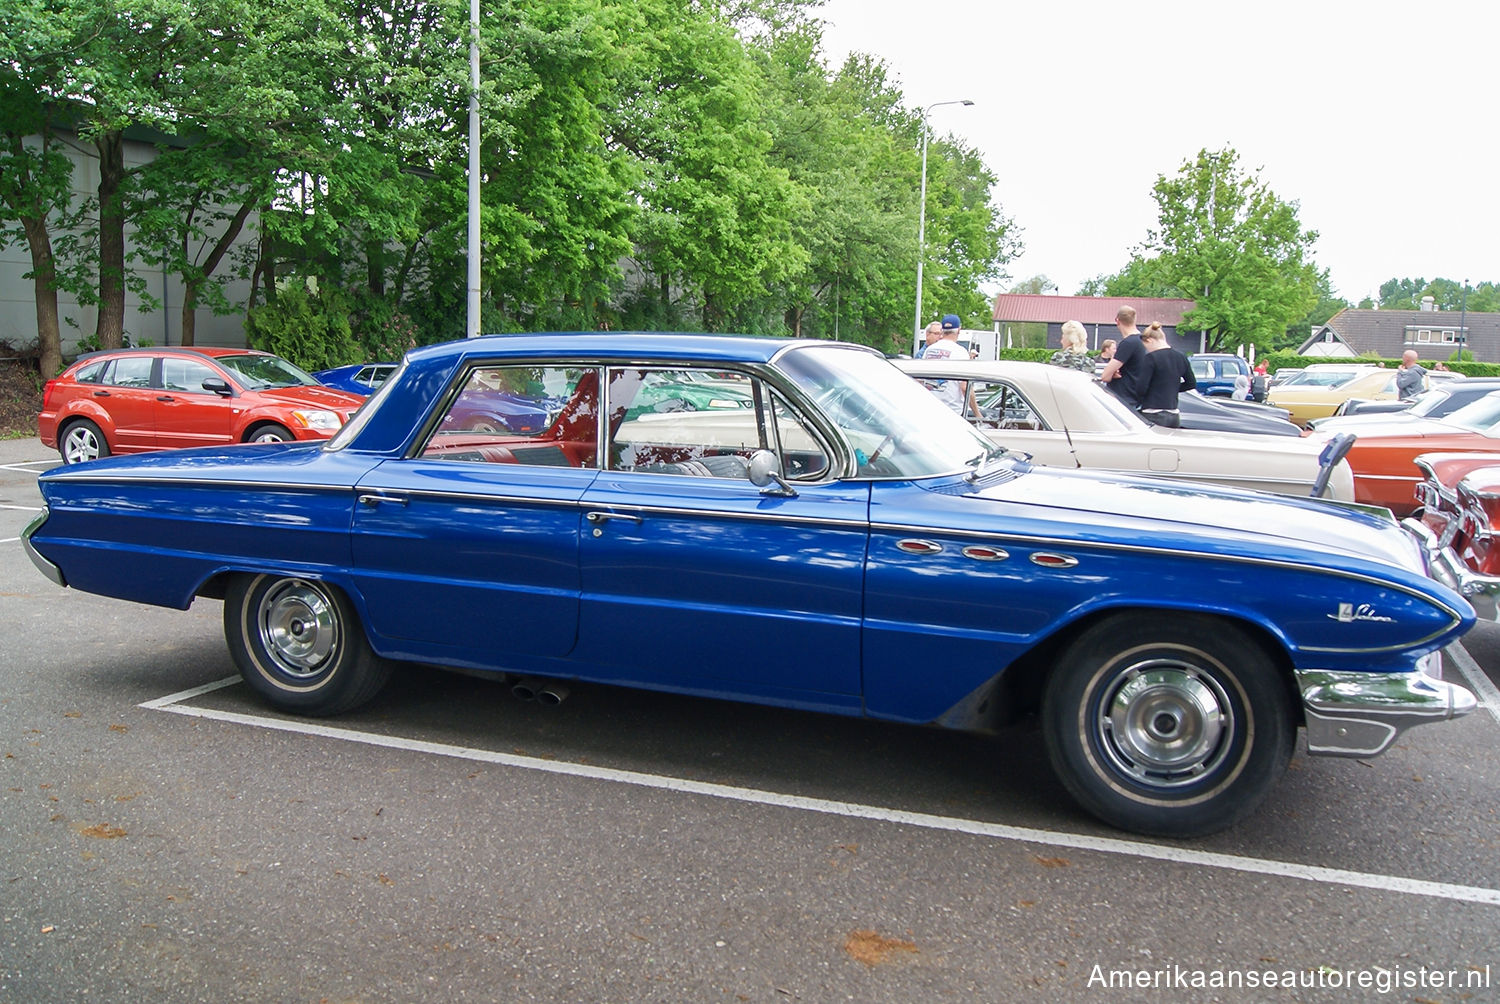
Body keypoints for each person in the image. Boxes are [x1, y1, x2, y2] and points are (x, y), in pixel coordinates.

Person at [1137, 322, 1196, 428]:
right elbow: (1191, 383)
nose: (1147, 349)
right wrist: (1172, 388)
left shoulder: (1150, 358)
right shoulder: (1181, 357)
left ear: (1149, 340)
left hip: (1152, 412)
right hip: (1174, 413)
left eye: (1146, 346)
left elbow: (1141, 388)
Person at [921, 313, 977, 413]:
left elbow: (920, 381)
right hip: (953, 411)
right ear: (959, 330)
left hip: (930, 409)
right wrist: (977, 414)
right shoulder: (960, 352)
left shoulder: (929, 350)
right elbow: (965, 387)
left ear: (942, 330)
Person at [1099, 306, 1147, 407]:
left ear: (1117, 320)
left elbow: (1105, 376)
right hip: (1138, 399)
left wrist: (1112, 373)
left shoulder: (1128, 343)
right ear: (1134, 320)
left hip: (1123, 400)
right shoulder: (1144, 341)